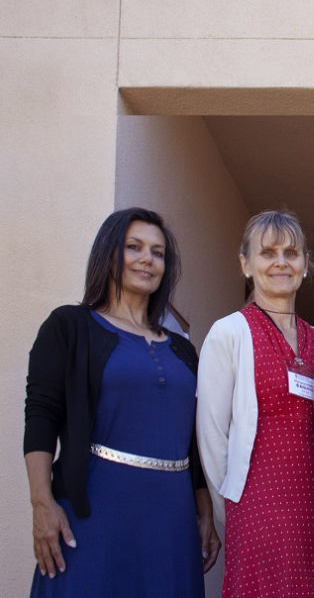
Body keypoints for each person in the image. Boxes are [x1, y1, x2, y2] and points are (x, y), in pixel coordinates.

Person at [24, 207, 220, 597]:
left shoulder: (184, 350)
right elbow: (42, 414)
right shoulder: (69, 326)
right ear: (109, 253)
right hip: (94, 509)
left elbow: (193, 440)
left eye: (158, 252)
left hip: (172, 515)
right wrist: (41, 503)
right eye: (134, 247)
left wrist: (205, 511)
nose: (147, 259)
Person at [197, 209, 314, 597]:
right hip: (254, 507)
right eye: (268, 252)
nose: (281, 262)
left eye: (291, 253)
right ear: (246, 264)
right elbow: (211, 436)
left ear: (305, 265)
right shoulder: (229, 333)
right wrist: (233, 513)